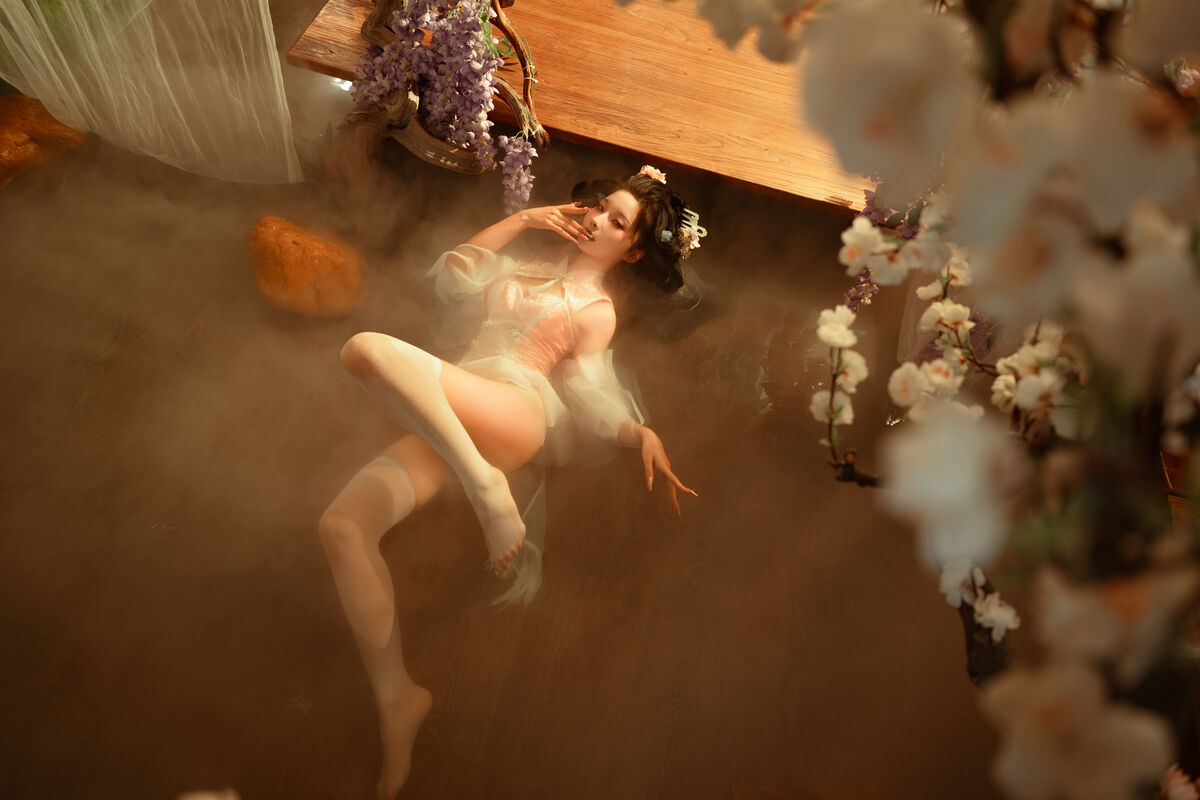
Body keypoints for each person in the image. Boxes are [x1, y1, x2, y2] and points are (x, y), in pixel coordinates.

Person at [318, 165, 702, 798]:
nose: (597, 222)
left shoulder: (596, 309)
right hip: (455, 412)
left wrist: (639, 432)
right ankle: (397, 697)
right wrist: (523, 219)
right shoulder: (523, 262)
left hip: (513, 410)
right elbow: (451, 275)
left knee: (366, 349)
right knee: (342, 527)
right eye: (600, 207)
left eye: (617, 223)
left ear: (632, 251)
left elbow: (589, 389)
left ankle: (486, 487)